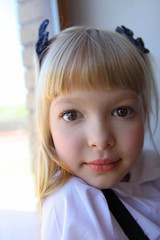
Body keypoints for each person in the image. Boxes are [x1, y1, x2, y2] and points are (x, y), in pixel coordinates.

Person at [35, 20, 160, 239]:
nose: (100, 140)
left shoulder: (152, 170)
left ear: (144, 111)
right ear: (48, 124)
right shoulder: (73, 203)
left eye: (121, 111)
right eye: (71, 115)